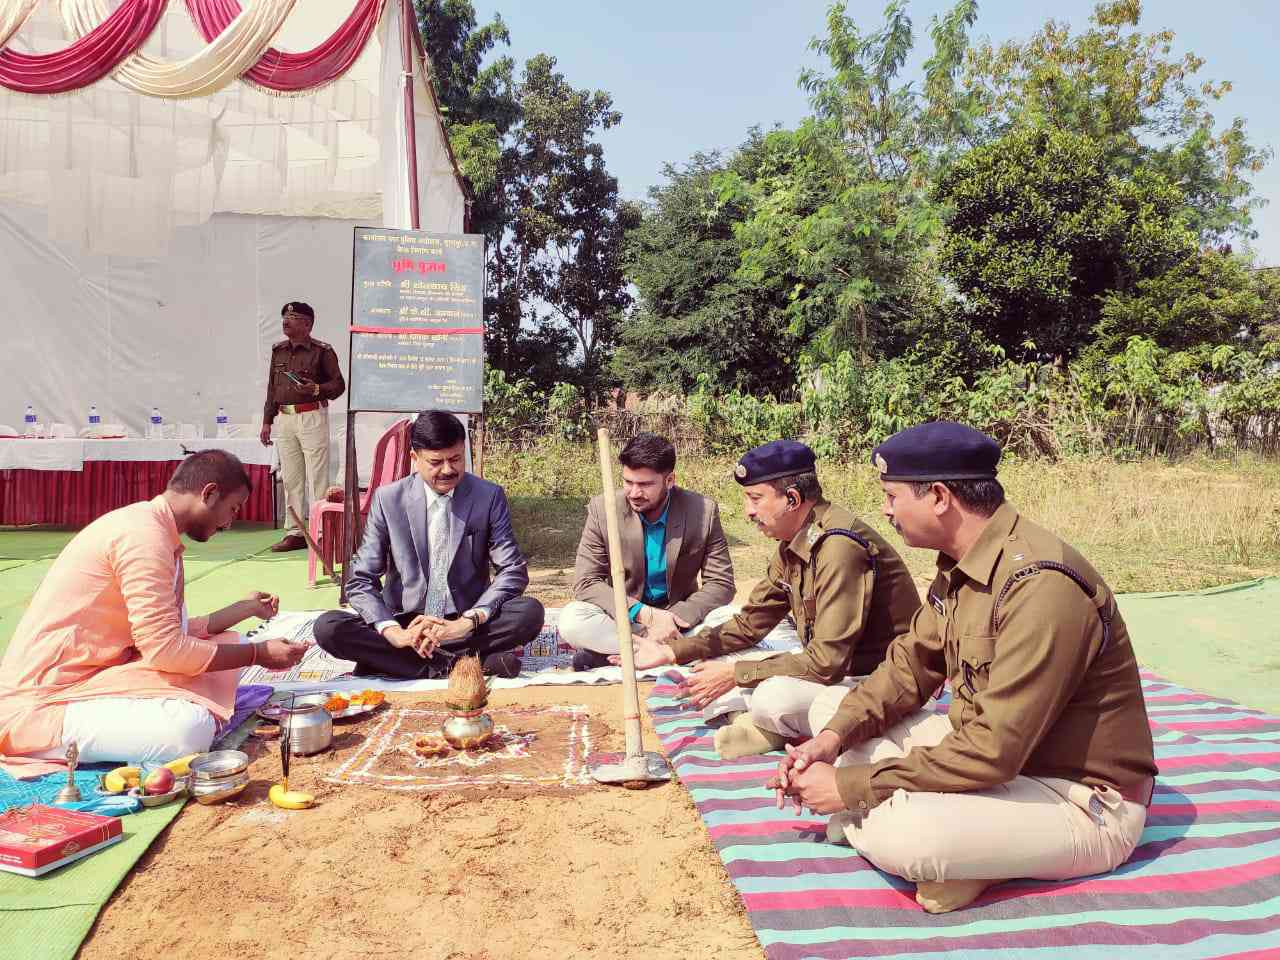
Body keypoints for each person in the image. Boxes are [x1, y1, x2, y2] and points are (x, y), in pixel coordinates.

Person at [771, 422, 1157, 915]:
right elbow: (908, 668)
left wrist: (848, 787)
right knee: (831, 711)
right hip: (994, 768)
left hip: (1077, 800)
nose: (885, 510)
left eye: (891, 496)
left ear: (937, 496)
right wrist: (828, 742)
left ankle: (953, 853)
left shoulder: (1041, 587)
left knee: (913, 834)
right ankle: (950, 846)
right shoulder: (962, 562)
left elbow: (994, 752)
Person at [0, 451, 307, 776]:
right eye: (232, 509)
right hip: (41, 702)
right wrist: (257, 654)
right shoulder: (143, 537)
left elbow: (173, 631)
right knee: (189, 729)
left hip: (96, 672)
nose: (229, 523)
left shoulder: (151, 526)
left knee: (224, 648)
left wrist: (243, 610)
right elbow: (165, 650)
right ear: (209, 493)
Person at [633, 439, 920, 759]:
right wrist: (670, 651)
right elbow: (750, 624)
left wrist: (736, 674)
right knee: (711, 669)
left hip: (879, 680)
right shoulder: (795, 542)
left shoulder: (839, 548)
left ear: (793, 499)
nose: (748, 511)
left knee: (772, 695)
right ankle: (769, 725)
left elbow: (826, 662)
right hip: (838, 672)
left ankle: (771, 730)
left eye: (756, 498)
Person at [313, 411, 543, 679]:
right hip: (407, 621)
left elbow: (512, 570)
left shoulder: (488, 496)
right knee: (329, 627)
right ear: (415, 458)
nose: (448, 470)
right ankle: (461, 663)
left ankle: (399, 663)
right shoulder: (389, 499)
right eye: (436, 462)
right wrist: (394, 632)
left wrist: (466, 622)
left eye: (456, 459)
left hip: (464, 620)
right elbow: (361, 578)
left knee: (529, 613)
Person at [560, 432, 735, 672]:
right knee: (572, 620)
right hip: (627, 618)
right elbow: (586, 582)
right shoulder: (603, 510)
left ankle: (622, 653)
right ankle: (669, 652)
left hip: (680, 622)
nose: (633, 493)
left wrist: (671, 619)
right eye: (628, 482)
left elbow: (721, 584)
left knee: (728, 619)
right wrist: (646, 615)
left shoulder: (703, 511)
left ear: (670, 480)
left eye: (644, 484)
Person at [260, 301, 345, 552]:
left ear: (307, 324)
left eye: (293, 317)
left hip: (311, 417)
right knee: (291, 477)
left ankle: (321, 531)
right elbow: (272, 389)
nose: (286, 321)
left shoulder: (322, 351)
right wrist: (267, 420)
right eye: (284, 317)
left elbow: (339, 386)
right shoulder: (279, 351)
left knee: (317, 476)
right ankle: (296, 532)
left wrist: (316, 389)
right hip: (285, 419)